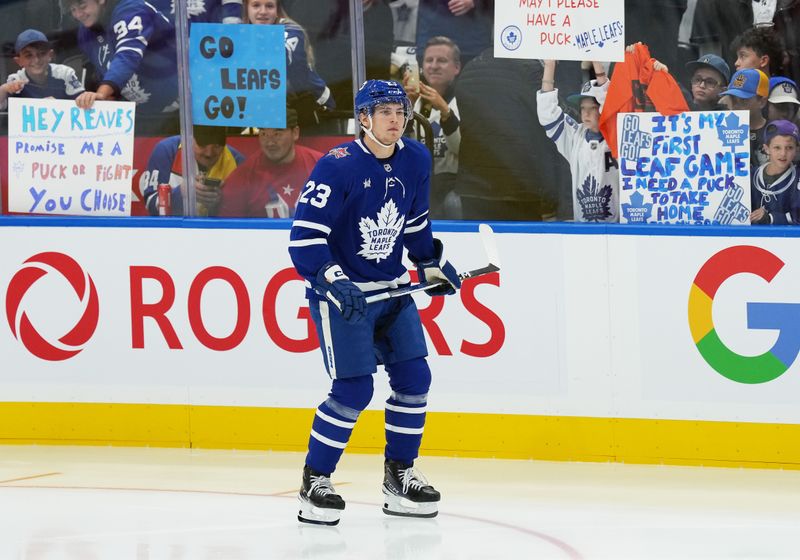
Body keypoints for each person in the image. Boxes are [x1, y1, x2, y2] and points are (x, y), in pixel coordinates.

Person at [288, 79, 461, 525]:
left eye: (400, 111)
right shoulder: (337, 166)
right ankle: (315, 480)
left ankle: (399, 475)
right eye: (384, 111)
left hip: (392, 292)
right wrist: (331, 278)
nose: (395, 119)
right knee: (354, 389)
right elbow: (304, 240)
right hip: (345, 299)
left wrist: (429, 266)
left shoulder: (415, 159)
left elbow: (416, 224)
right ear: (363, 118)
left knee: (414, 379)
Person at [63, 0, 178, 115]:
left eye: (82, 6)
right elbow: (102, 70)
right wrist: (110, 96)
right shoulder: (85, 33)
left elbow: (128, 55)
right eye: (73, 10)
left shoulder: (132, 10)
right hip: (143, 114)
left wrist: (102, 93)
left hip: (182, 106)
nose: (78, 15)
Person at [538, 60, 619, 223]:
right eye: (583, 108)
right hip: (583, 231)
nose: (586, 113)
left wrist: (598, 65)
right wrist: (549, 66)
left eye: (592, 108)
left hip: (617, 231)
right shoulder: (576, 136)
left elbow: (609, 102)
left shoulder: (619, 136)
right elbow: (548, 114)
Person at [217, 109, 322, 217]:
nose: (270, 142)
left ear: (295, 133)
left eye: (277, 134)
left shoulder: (321, 166)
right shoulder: (242, 176)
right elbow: (228, 228)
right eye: (263, 134)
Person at [243, 0, 334, 125]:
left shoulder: (292, 30)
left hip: (313, 105)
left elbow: (283, 61)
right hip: (272, 111)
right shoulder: (241, 34)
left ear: (277, 10)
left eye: (269, 6)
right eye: (256, 5)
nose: (263, 11)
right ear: (247, 8)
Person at [405, 36, 462, 219]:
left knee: (454, 203)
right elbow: (401, 152)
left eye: (442, 61)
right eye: (429, 60)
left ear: (457, 68)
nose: (434, 66)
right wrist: (407, 108)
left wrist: (446, 113)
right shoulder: (413, 101)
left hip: (452, 186)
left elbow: (462, 150)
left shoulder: (464, 101)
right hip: (420, 183)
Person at [141, 126, 245, 216]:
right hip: (174, 232)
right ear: (189, 137)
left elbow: (245, 213)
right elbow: (150, 205)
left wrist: (220, 203)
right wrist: (181, 192)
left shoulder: (237, 161)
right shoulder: (166, 150)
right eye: (202, 145)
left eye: (217, 146)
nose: (209, 153)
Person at [0, 29, 84, 110]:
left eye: (42, 53)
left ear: (50, 55)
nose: (36, 60)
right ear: (19, 61)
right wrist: (3, 89)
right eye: (28, 55)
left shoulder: (65, 74)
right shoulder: (16, 81)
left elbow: (82, 104)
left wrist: (59, 105)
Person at [750, 119, 799, 224]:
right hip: (751, 238)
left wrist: (771, 218)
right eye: (777, 148)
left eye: (789, 148)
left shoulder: (797, 179)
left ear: (796, 150)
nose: (783, 154)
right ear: (766, 149)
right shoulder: (751, 176)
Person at [724, 68, 770, 168]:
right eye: (733, 99)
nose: (736, 105)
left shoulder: (774, 133)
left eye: (743, 100)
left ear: (762, 101)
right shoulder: (721, 131)